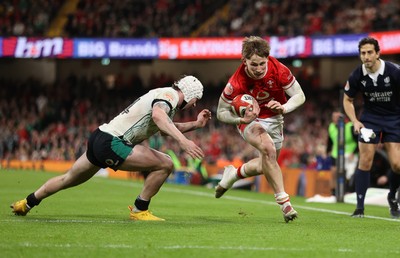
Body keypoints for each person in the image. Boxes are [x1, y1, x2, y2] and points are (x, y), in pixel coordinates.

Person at [10, 75, 212, 221]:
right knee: (166, 164)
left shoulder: (165, 98)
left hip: (100, 136)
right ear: (190, 93)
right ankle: (139, 209)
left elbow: (166, 127)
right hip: (113, 143)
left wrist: (196, 125)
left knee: (67, 179)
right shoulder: (170, 95)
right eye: (196, 100)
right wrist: (183, 142)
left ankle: (26, 203)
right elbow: (160, 118)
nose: (195, 105)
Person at [215, 36, 306, 222]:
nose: (258, 69)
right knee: (268, 149)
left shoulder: (279, 70)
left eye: (262, 64)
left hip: (275, 118)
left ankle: (234, 174)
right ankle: (285, 203)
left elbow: (300, 95)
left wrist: (284, 107)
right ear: (244, 61)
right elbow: (221, 112)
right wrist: (241, 118)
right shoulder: (236, 82)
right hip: (250, 120)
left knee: (267, 163)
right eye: (253, 64)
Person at [343, 37, 400, 218]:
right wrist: (355, 120)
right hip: (370, 120)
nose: (366, 56)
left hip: (394, 119)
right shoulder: (357, 75)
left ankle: (392, 196)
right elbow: (347, 99)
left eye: (369, 52)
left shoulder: (394, 72)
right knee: (365, 160)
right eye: (363, 53)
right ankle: (359, 208)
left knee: (397, 165)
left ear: (377, 53)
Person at [326, 110, 358, 197]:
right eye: (334, 117)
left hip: (349, 154)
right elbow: (330, 141)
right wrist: (327, 151)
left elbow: (359, 141)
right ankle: (333, 193)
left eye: (337, 117)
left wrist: (354, 152)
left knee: (348, 174)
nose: (335, 119)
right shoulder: (331, 126)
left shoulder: (350, 126)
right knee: (333, 173)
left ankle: (347, 192)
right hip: (336, 153)